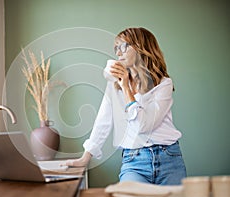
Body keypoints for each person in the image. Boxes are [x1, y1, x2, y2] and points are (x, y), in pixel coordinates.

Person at [65, 27, 186, 185]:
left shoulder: (164, 84)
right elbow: (104, 120)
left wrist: (127, 89)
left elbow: (144, 125)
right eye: (116, 48)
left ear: (141, 48)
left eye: (123, 46)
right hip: (134, 162)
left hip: (169, 159)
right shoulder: (115, 84)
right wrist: (85, 158)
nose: (118, 53)